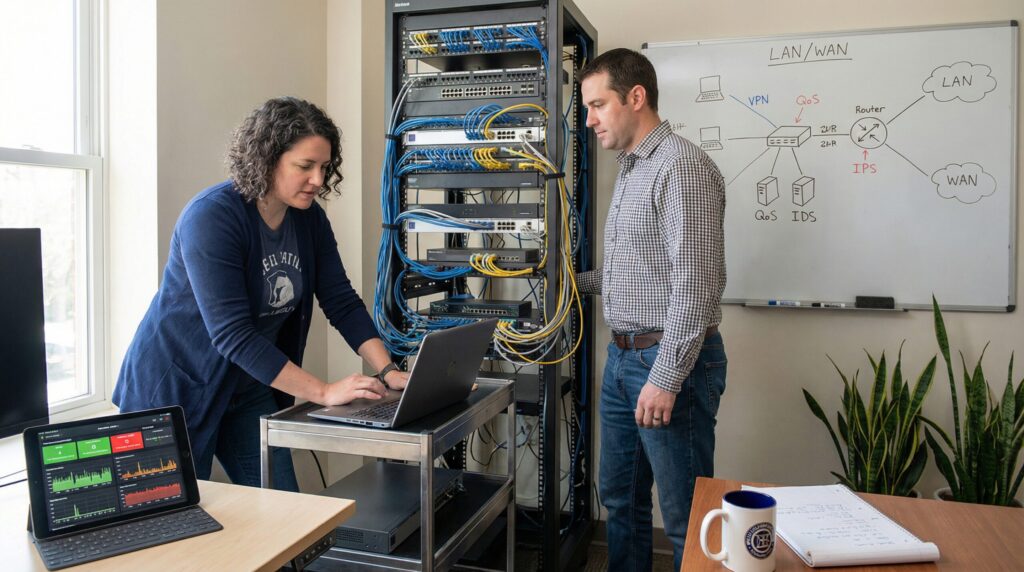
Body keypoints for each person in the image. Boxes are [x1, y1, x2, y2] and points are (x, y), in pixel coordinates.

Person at [113, 97, 408, 491]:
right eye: (305, 167)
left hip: (248, 388)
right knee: (169, 523)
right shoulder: (211, 217)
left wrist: (388, 371)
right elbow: (232, 334)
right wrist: (322, 392)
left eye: (324, 167)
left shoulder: (309, 220)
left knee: (284, 513)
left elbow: (340, 298)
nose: (318, 180)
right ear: (267, 159)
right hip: (176, 391)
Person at [575, 48, 727, 570]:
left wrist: (665, 377)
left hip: (668, 363)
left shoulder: (681, 168)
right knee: (621, 501)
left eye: (598, 105)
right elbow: (639, 275)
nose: (589, 120)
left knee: (686, 517)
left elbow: (696, 286)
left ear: (636, 97)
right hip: (623, 362)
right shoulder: (633, 168)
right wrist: (570, 283)